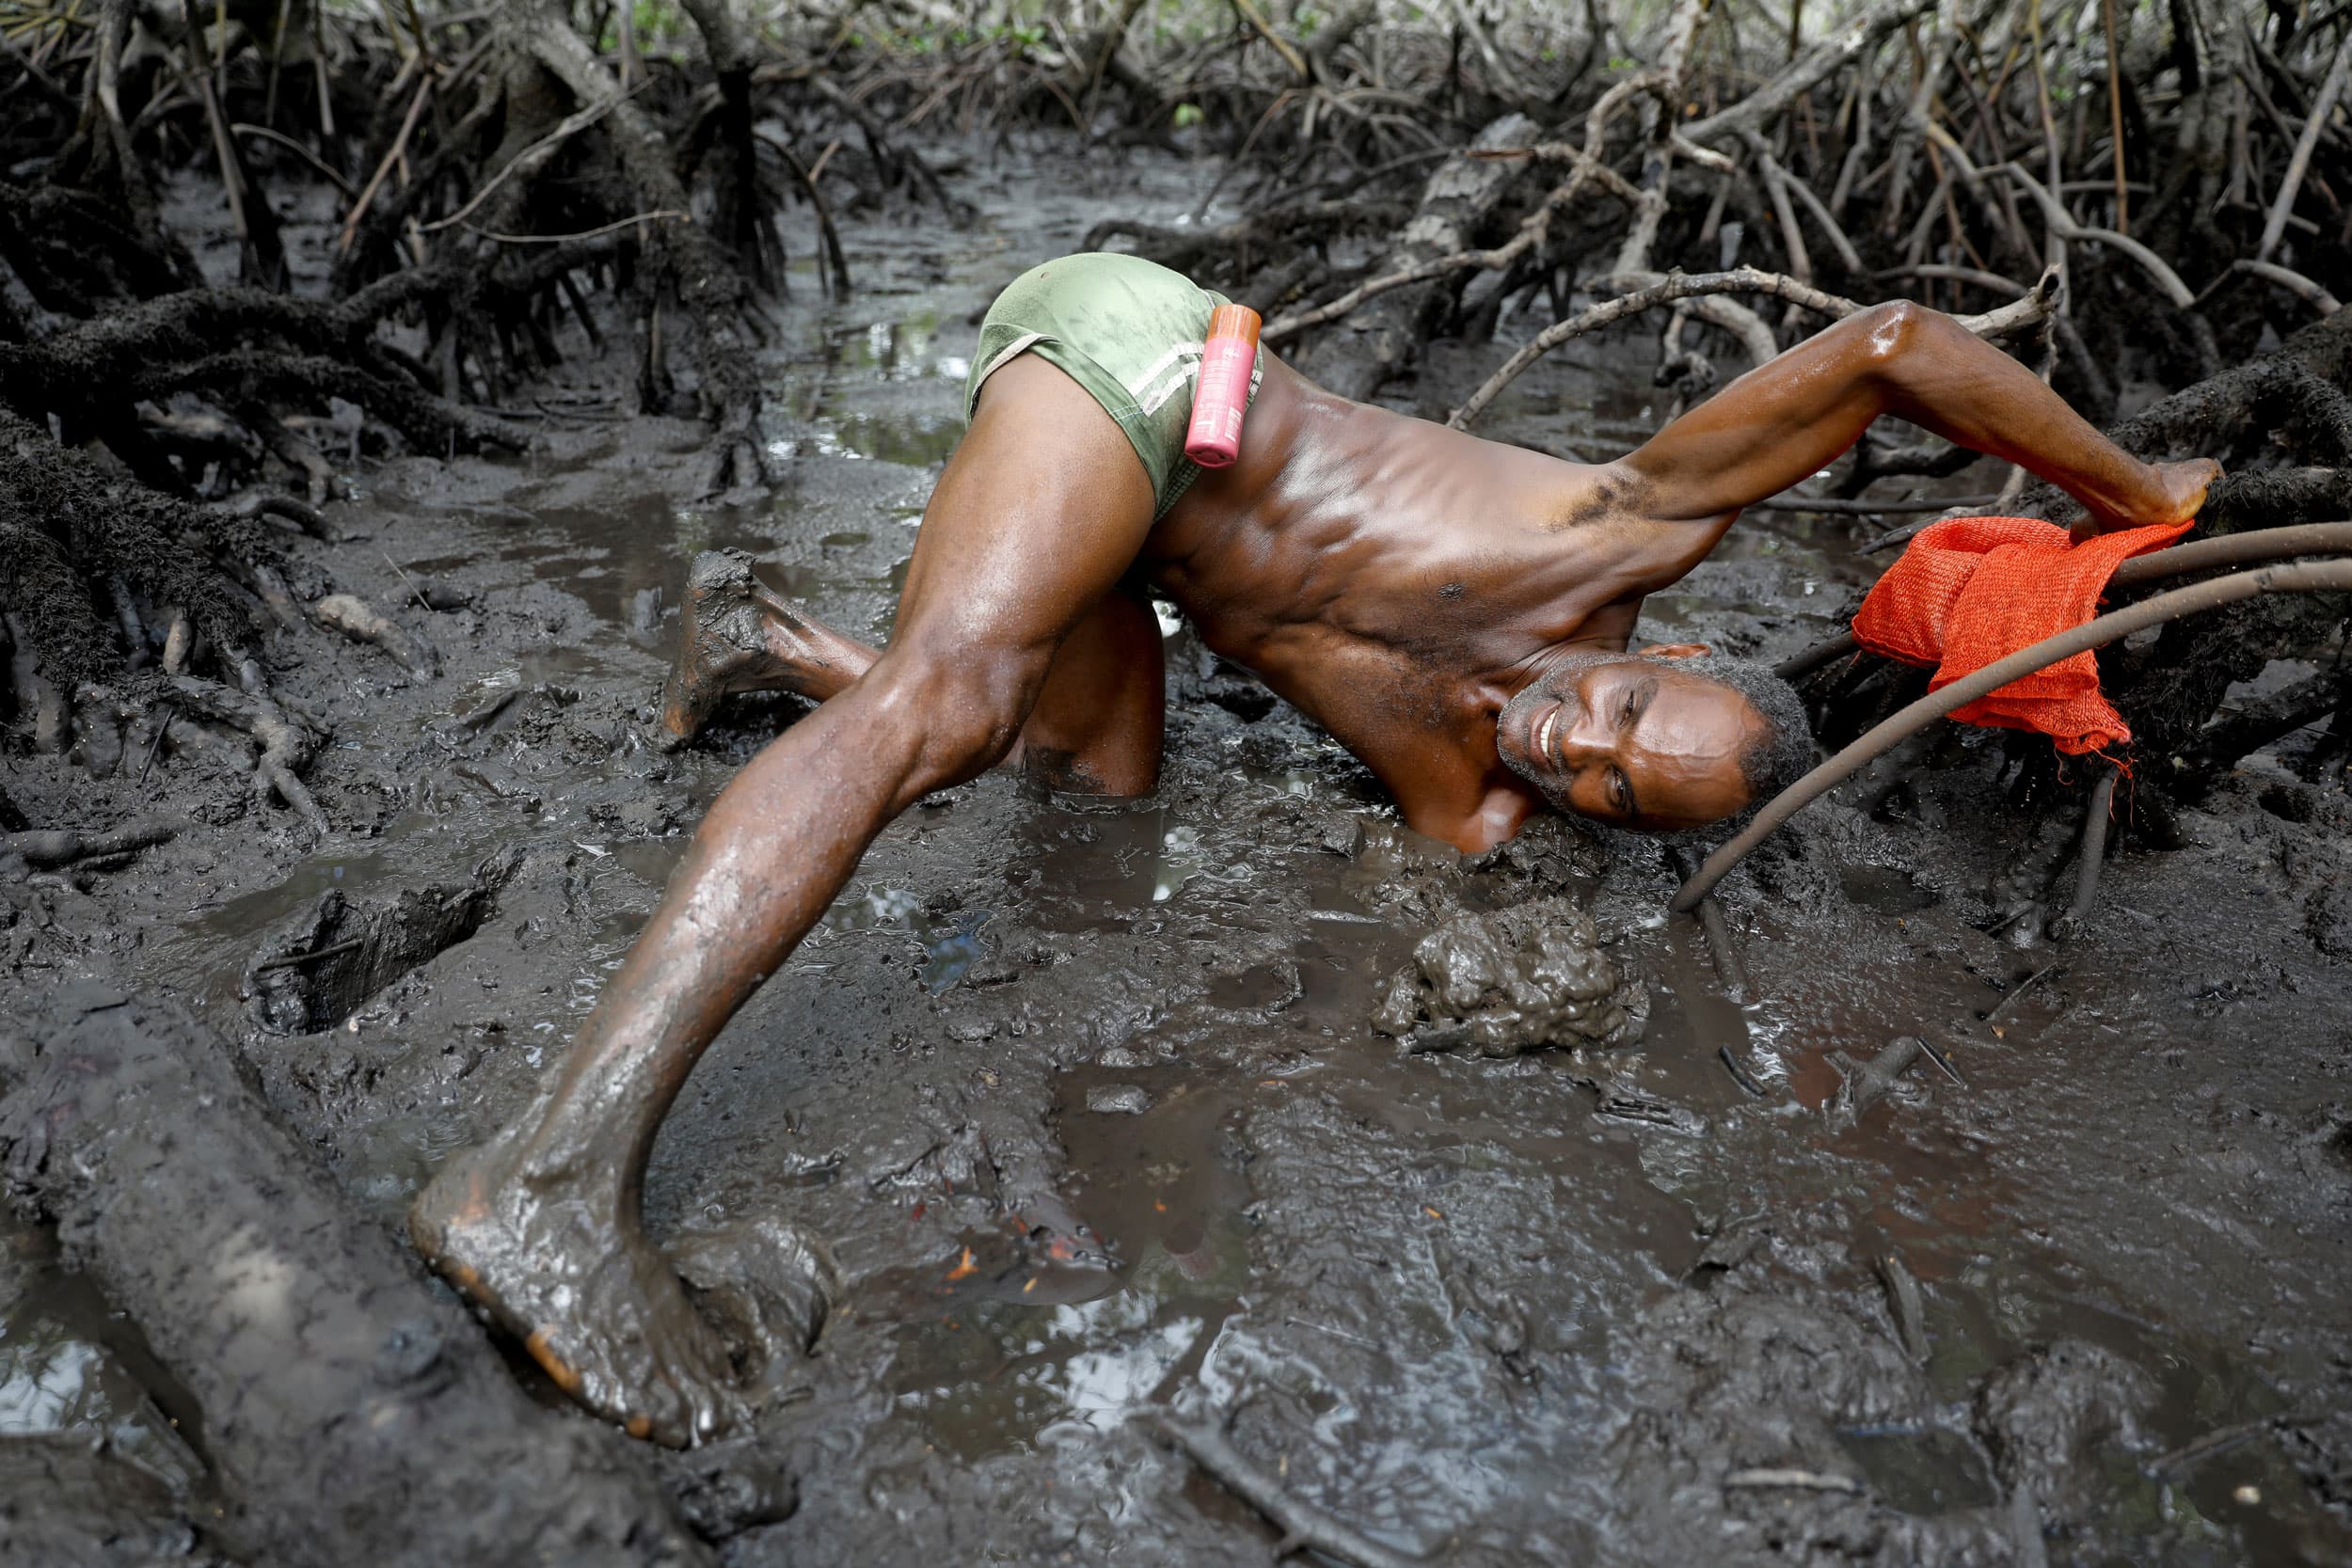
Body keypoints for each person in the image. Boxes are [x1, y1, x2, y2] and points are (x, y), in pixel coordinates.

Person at [411, 253, 2219, 1444]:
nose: (1571, 746)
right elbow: (1895, 349)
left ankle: (772, 638)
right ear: (1653, 645)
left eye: (1602, 792)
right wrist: (2137, 500)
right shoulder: (1615, 527)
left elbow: (1435, 962)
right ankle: (552, 1182)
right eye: (1615, 718)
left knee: (1087, 798)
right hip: (1143, 373)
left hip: (1137, 547)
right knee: (943, 716)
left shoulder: (1473, 801)